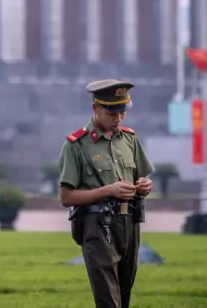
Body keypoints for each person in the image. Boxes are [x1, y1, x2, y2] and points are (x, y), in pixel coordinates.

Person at [58, 79, 154, 308]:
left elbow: (144, 178)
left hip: (130, 224)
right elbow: (66, 197)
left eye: (122, 111)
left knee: (124, 297)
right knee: (108, 301)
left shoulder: (129, 139)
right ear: (95, 108)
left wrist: (144, 186)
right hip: (97, 225)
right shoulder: (76, 145)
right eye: (111, 112)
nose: (118, 118)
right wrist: (107, 191)